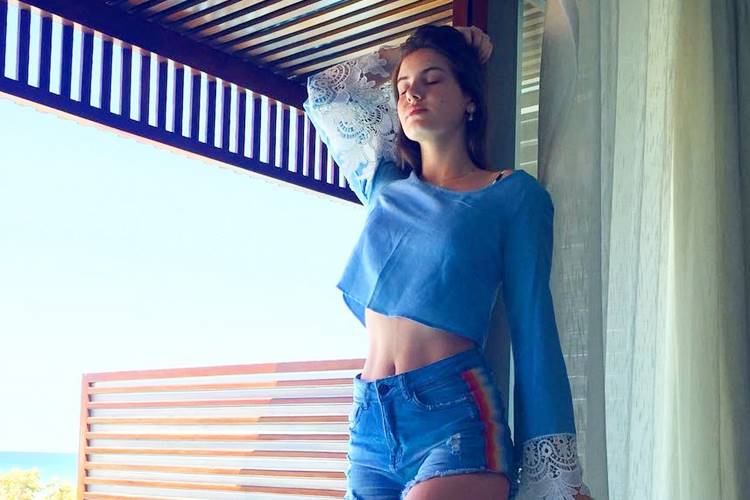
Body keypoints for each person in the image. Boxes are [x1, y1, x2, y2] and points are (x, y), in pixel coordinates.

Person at [303, 24, 592, 500]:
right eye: (402, 87)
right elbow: (327, 96)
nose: (412, 93)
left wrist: (557, 473)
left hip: (454, 417)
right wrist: (407, 51)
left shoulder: (513, 195)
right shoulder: (384, 188)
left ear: (469, 100)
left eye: (433, 79)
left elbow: (534, 330)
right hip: (369, 423)